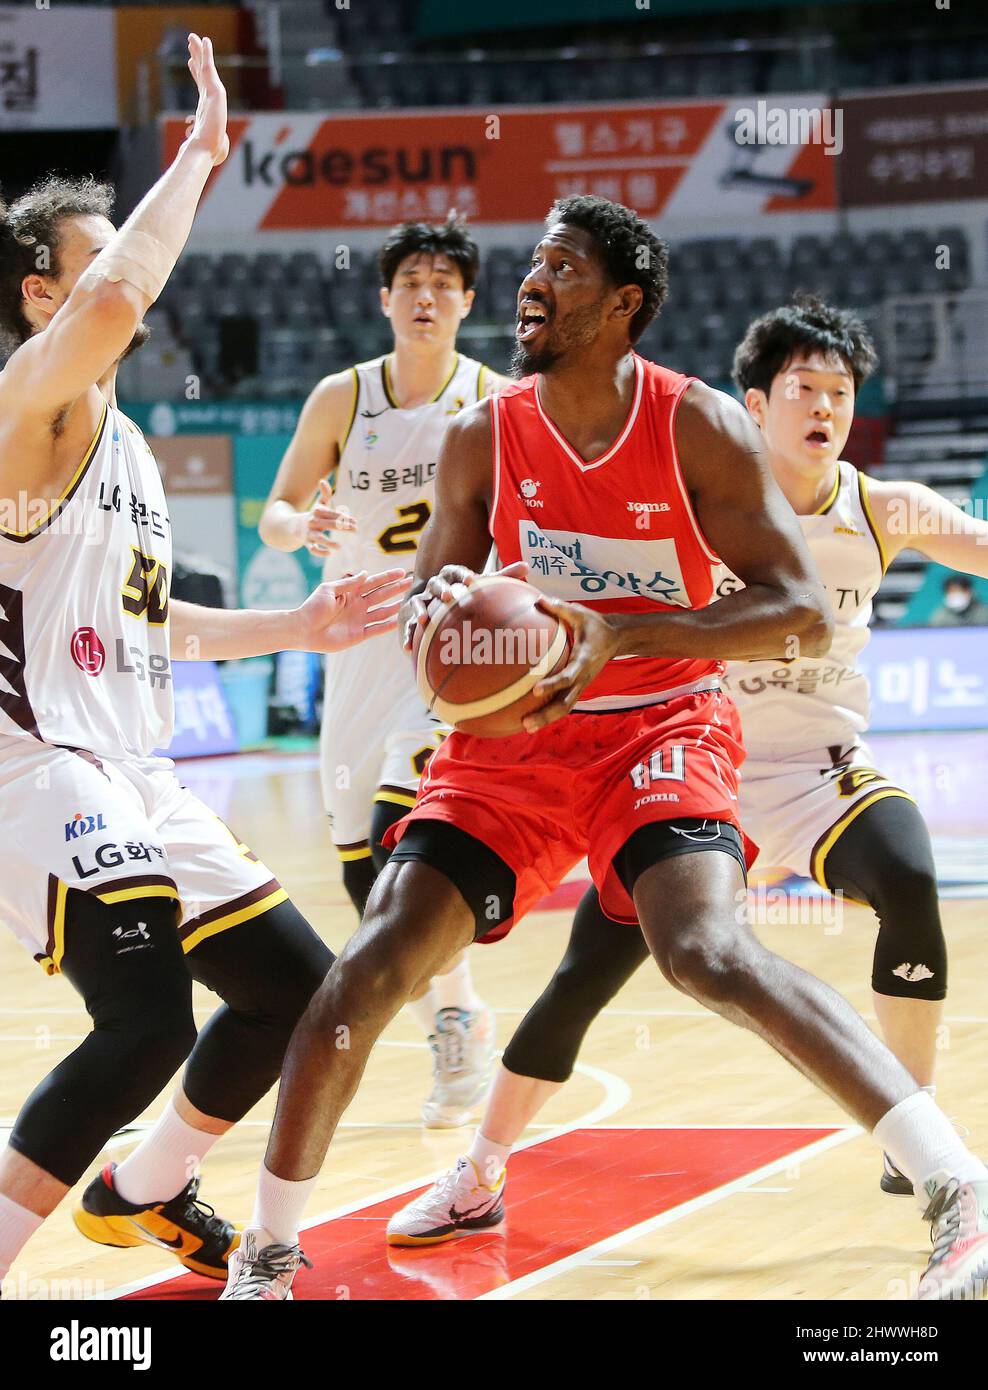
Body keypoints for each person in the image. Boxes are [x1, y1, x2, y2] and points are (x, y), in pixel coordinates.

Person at [223, 203, 988, 1303]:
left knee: (704, 950)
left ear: (623, 304)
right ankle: (268, 1252)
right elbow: (431, 607)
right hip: (514, 743)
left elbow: (801, 611)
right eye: (532, 264)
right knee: (375, 959)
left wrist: (620, 633)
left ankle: (953, 1185)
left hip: (662, 723)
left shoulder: (699, 425)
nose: (532, 283)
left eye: (561, 269)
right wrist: (459, 629)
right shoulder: (482, 432)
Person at [0, 34, 409, 1290]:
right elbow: (119, 297)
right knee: (142, 1023)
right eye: (97, 247)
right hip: (35, 763)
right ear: (35, 293)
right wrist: (197, 157)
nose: (133, 270)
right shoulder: (27, 405)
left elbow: (148, 618)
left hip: (137, 767)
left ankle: (144, 1187)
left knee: (301, 989)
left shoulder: (121, 441)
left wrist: (298, 626)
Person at [259, 219, 509, 1127]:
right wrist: (303, 529)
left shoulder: (495, 397)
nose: (427, 293)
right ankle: (461, 1010)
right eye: (411, 278)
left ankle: (449, 1028)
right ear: (385, 297)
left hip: (445, 643)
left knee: (408, 830)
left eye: (446, 281)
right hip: (352, 643)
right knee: (366, 873)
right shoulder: (343, 396)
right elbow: (277, 513)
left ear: (469, 301)